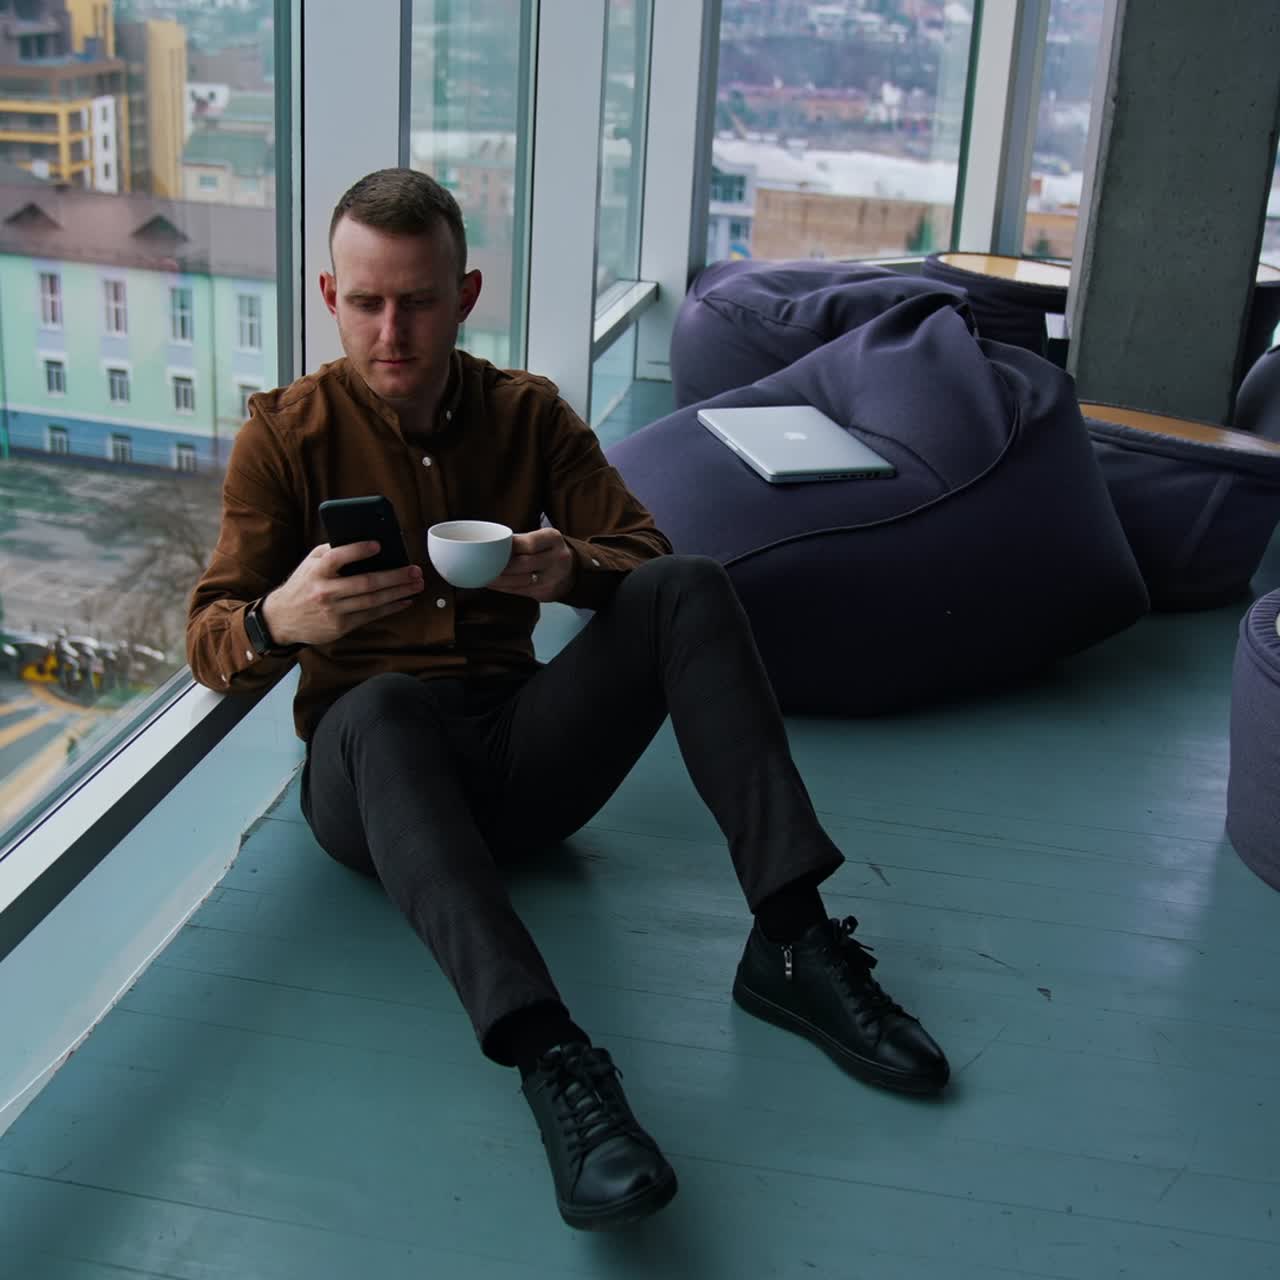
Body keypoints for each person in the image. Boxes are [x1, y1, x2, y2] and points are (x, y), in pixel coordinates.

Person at [186, 168, 949, 1233]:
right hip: (375, 785)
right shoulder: (284, 435)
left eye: (418, 299)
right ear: (328, 295)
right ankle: (554, 1061)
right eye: (366, 301)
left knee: (689, 588)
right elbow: (209, 641)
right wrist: (283, 620)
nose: (392, 329)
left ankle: (789, 938)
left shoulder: (525, 413)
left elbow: (643, 552)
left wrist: (570, 570)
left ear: (467, 293)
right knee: (381, 708)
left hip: (519, 751)